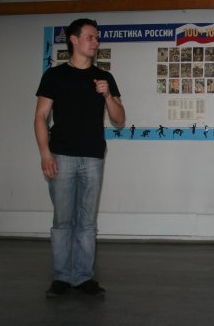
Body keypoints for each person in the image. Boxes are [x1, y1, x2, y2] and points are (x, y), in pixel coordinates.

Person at [34, 18, 125, 297]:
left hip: (93, 157)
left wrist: (108, 96)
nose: (96, 42)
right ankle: (62, 277)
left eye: (97, 37)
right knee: (63, 221)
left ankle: (84, 277)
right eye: (90, 37)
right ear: (74, 40)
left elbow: (119, 119)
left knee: (86, 222)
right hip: (61, 155)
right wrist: (45, 153)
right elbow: (40, 116)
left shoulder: (104, 78)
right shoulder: (54, 76)